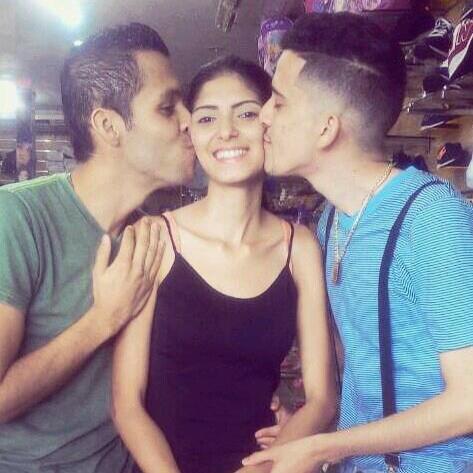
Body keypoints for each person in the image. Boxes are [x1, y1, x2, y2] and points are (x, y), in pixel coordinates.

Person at [243, 12, 473, 473]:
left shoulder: (431, 217)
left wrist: (323, 448)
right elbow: (363, 373)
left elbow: (468, 400)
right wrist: (313, 430)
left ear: (327, 128)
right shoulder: (331, 220)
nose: (263, 115)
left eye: (279, 102)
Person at [111, 55, 337, 473]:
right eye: (207, 118)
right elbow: (127, 403)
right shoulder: (154, 237)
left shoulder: (299, 247)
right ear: (192, 133)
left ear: (269, 122)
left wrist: (273, 459)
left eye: (246, 113)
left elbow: (322, 399)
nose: (227, 131)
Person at [0, 23, 194, 472]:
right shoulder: (19, 217)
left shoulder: (154, 234)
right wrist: (103, 319)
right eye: (168, 107)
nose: (188, 120)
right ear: (109, 126)